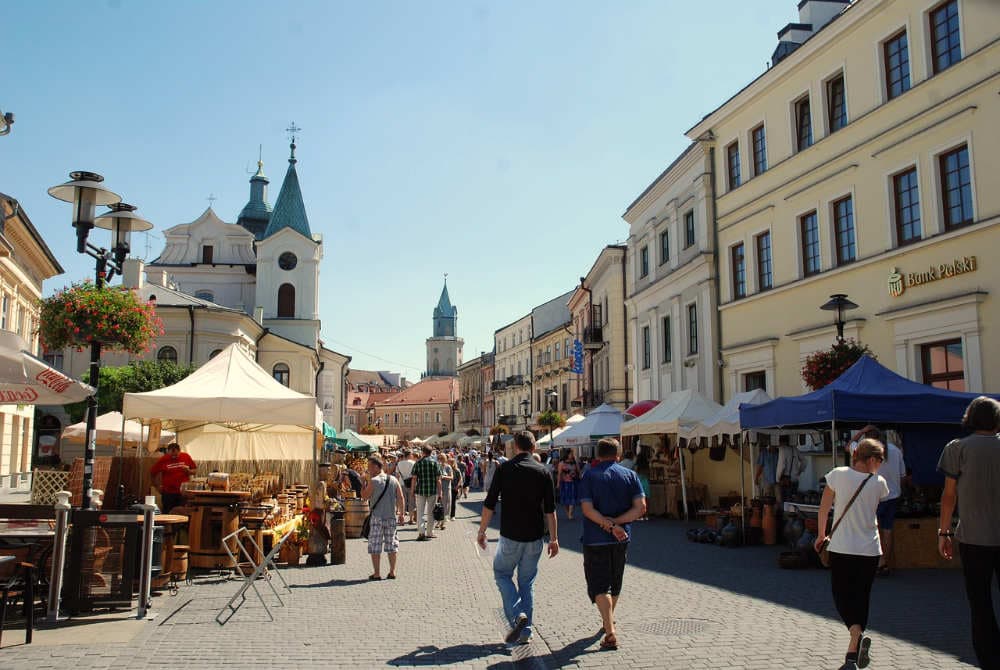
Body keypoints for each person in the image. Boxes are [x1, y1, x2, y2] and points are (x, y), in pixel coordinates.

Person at [813, 438, 890, 670]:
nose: (881, 464)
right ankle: (851, 655)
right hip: (870, 549)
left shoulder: (838, 475)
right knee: (861, 597)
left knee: (841, 595)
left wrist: (821, 535)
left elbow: (824, 508)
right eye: (881, 460)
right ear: (872, 459)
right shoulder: (879, 483)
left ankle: (855, 634)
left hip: (842, 547)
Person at [478, 431, 558, 646]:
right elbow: (550, 510)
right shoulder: (543, 471)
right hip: (535, 537)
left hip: (510, 535)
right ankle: (526, 632)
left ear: (515, 447)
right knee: (527, 582)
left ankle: (516, 615)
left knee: (502, 574)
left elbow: (489, 503)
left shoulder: (504, 469)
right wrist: (554, 538)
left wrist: (482, 531)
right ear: (534, 447)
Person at [937, 396, 1000, 670]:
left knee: (980, 601)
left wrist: (944, 532)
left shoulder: (957, 448)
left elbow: (948, 496)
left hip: (974, 537)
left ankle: (989, 658)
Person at [578, 437, 646, 652]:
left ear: (598, 455)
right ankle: (608, 621)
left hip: (595, 538)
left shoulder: (589, 476)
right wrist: (617, 524)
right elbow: (641, 507)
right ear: (618, 455)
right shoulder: (630, 475)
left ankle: (610, 632)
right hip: (621, 538)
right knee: (615, 583)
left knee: (600, 585)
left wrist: (608, 525)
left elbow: (587, 509)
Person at [360, 455, 405, 580]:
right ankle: (392, 571)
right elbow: (400, 497)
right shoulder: (393, 479)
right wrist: (401, 514)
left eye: (369, 466)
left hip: (377, 517)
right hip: (391, 517)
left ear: (376, 467)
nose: (368, 469)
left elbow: (364, 496)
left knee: (375, 545)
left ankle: (377, 573)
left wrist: (363, 483)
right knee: (392, 544)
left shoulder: (374, 481)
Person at [150, 442, 196, 513]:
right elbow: (152, 473)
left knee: (182, 513)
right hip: (168, 493)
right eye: (172, 455)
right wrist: (157, 486)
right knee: (167, 513)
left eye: (176, 455)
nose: (174, 457)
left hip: (183, 493)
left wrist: (188, 471)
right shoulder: (163, 459)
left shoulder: (186, 456)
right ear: (168, 452)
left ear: (179, 451)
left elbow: (195, 471)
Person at [410, 445, 442, 541]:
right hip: (432, 491)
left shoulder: (418, 463)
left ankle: (421, 533)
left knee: (420, 513)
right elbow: (438, 479)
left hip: (420, 490)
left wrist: (412, 490)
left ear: (423, 452)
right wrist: (440, 492)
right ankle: (430, 532)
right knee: (431, 513)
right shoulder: (435, 463)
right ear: (431, 452)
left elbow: (414, 478)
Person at [558, 449, 580, 520]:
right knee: (565, 500)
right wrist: (558, 483)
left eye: (573, 454)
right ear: (567, 454)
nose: (572, 455)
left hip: (573, 482)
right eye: (571, 453)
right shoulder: (561, 463)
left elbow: (578, 471)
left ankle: (570, 514)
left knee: (572, 498)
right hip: (564, 483)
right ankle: (568, 513)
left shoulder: (574, 462)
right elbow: (559, 474)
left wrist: (576, 463)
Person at [395, 449, 416, 523]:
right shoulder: (413, 463)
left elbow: (397, 475)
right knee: (411, 501)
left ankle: (402, 517)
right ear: (409, 455)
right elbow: (415, 476)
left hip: (401, 484)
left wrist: (397, 486)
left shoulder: (399, 463)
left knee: (402, 501)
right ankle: (411, 519)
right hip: (411, 484)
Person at [436, 453, 453, 530]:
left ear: (445, 459)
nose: (440, 460)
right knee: (438, 505)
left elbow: (451, 477)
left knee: (445, 505)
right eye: (439, 458)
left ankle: (443, 522)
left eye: (442, 458)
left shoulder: (448, 467)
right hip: (438, 488)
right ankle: (438, 521)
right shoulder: (437, 466)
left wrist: (444, 477)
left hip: (446, 488)